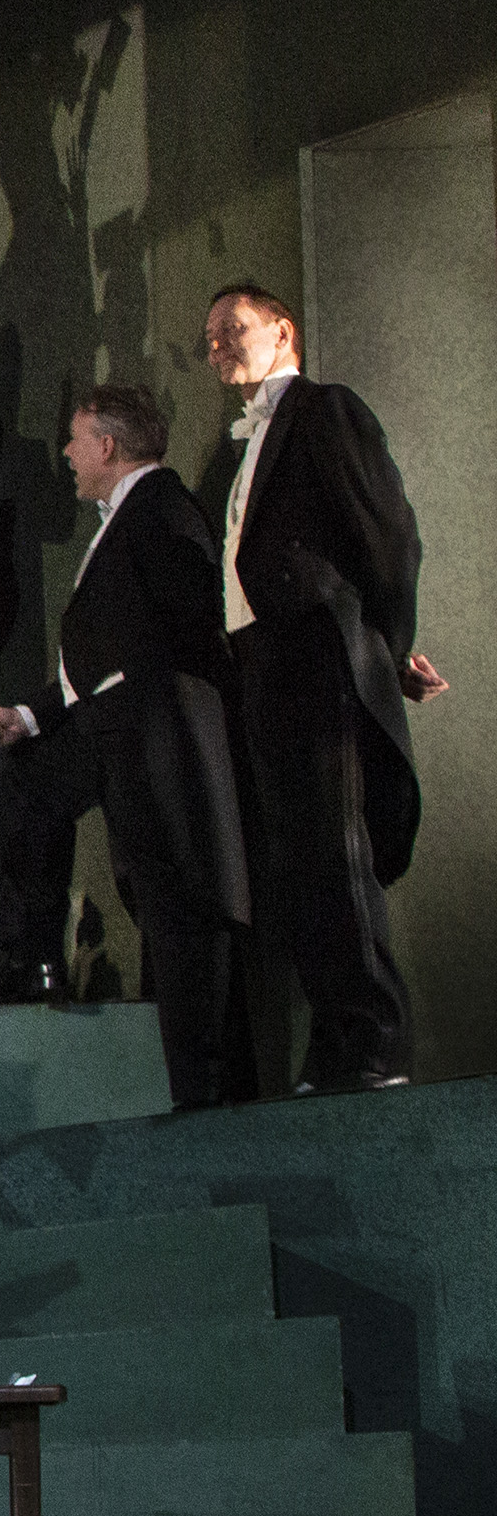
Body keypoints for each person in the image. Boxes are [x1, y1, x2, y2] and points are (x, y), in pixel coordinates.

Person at [0, 388, 252, 1105]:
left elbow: (189, 622)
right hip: (118, 728)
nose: (64, 453)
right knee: (31, 788)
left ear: (107, 446)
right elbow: (94, 656)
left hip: (152, 734)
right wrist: (28, 715)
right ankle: (35, 961)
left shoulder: (162, 508)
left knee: (177, 905)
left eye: (73, 439)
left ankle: (200, 1088)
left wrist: (143, 696)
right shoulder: (126, 516)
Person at [199, 280, 445, 1094]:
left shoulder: (324, 409)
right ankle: (337, 1048)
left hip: (316, 657)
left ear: (282, 331)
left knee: (337, 855)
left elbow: (387, 536)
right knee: (296, 863)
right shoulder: (232, 448)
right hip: (262, 665)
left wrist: (386, 647)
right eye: (209, 339)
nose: (217, 346)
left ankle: (377, 1040)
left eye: (232, 329)